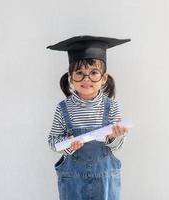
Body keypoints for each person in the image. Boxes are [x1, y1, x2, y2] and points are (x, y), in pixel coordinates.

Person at [47, 35, 130, 200]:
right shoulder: (63, 108)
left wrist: (114, 136)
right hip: (73, 181)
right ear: (71, 77)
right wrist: (69, 144)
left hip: (105, 180)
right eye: (79, 73)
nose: (86, 79)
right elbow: (52, 142)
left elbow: (118, 146)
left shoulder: (111, 106)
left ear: (104, 78)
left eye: (93, 73)